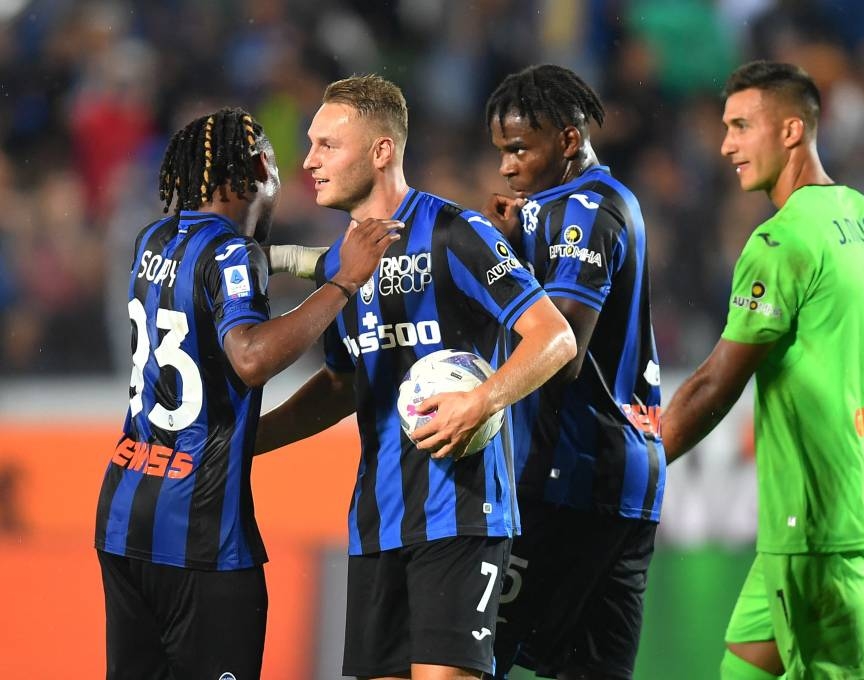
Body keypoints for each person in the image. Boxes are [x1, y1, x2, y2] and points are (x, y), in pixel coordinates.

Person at [255, 75, 576, 680]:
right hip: (376, 523)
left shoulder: (457, 234)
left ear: (381, 151)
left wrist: (482, 401)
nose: (309, 161)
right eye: (312, 144)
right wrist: (249, 441)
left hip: (462, 514)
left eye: (327, 145)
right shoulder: (341, 266)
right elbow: (342, 384)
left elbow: (554, 337)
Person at [659, 61, 864, 680]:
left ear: (791, 131)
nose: (726, 145)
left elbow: (715, 385)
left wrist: (639, 465)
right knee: (745, 668)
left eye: (741, 126)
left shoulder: (782, 242)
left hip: (819, 525)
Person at [94, 106, 402, 680]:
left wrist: (288, 262)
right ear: (260, 167)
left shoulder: (152, 238)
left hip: (122, 516)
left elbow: (210, 289)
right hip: (200, 533)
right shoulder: (232, 253)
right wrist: (344, 281)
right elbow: (251, 357)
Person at [480, 64, 666, 680]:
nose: (506, 167)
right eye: (501, 151)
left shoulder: (585, 211)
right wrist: (517, 242)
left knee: (468, 659)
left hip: (568, 478)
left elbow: (561, 353)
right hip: (627, 483)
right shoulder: (587, 204)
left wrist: (496, 265)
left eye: (519, 149)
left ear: (567, 139)